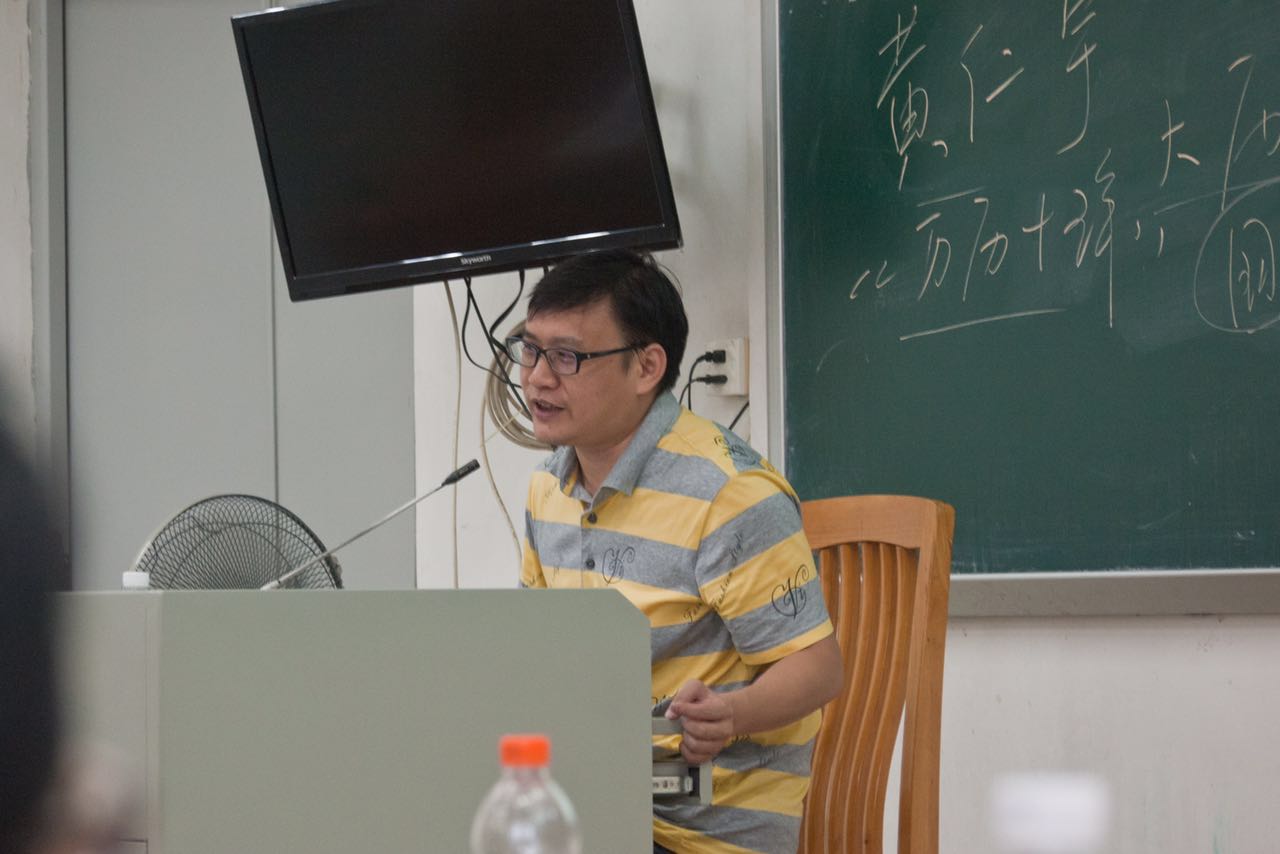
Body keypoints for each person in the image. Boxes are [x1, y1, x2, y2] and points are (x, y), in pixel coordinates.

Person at [514, 250, 843, 854]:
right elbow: (540, 655)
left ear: (647, 367)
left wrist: (733, 714)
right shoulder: (547, 488)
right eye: (529, 350)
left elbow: (818, 667)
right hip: (598, 800)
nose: (537, 377)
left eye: (566, 356)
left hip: (701, 822)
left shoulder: (729, 494)